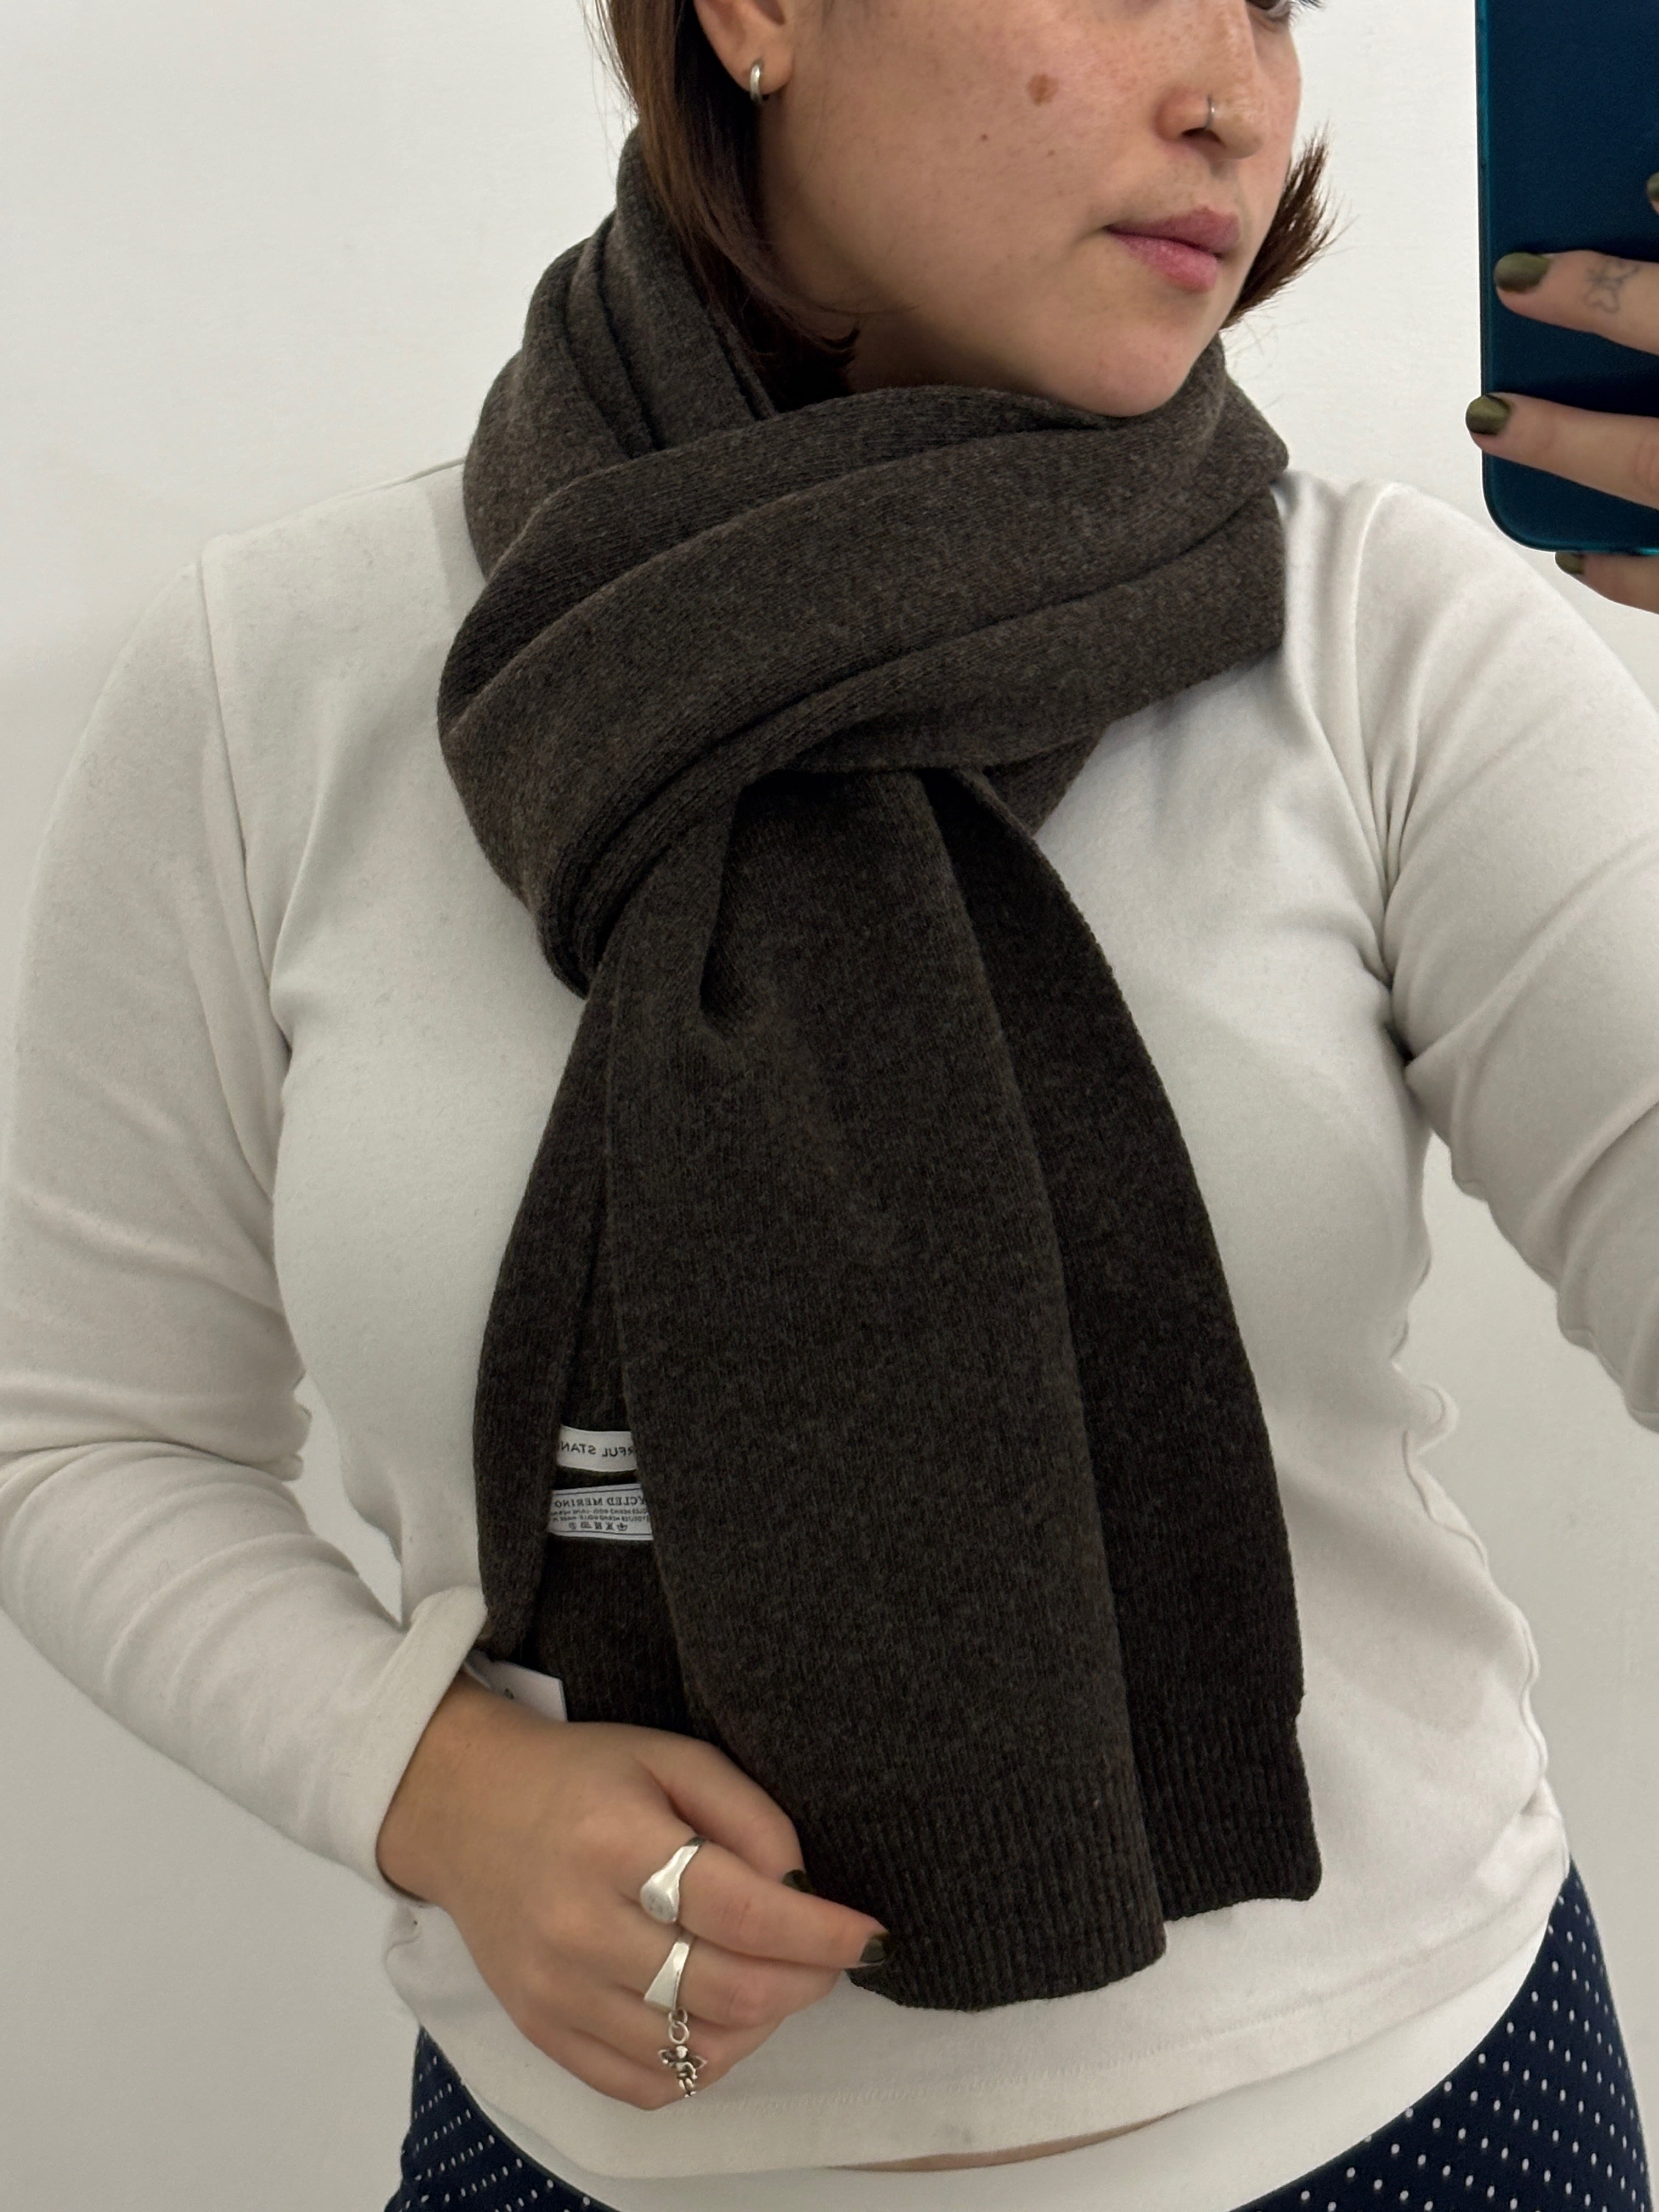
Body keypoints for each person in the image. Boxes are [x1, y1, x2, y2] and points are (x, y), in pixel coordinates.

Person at [2, 0, 1658, 2207]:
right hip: (583, 2158)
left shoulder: (1376, 640)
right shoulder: (280, 685)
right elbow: (80, 1433)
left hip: (1406, 2120)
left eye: (1274, 1)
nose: (1233, 97)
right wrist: (428, 1785)